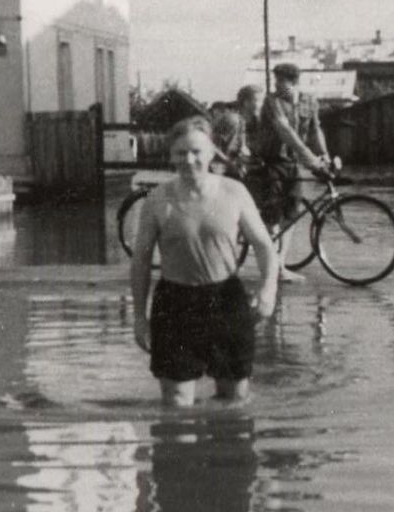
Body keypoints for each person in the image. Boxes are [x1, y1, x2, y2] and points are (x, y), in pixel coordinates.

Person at [131, 115, 279, 407]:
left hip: (225, 301)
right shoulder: (158, 200)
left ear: (211, 152)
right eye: (180, 152)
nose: (189, 160)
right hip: (175, 305)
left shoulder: (234, 192)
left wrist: (268, 291)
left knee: (234, 400)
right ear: (171, 156)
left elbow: (264, 247)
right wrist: (139, 316)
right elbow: (141, 261)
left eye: (196, 151)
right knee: (176, 404)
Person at [256, 62, 331, 281]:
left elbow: (316, 130)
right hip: (270, 162)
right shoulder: (272, 102)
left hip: (293, 164)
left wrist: (324, 154)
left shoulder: (309, 101)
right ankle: (272, 270)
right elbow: (284, 130)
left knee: (291, 214)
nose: (278, 85)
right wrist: (310, 159)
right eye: (276, 80)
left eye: (282, 81)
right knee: (272, 217)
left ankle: (279, 265)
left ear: (294, 82)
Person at [210, 83, 262, 179]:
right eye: (258, 101)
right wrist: (229, 163)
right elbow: (211, 146)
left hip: (227, 169)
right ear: (246, 103)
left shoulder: (242, 120)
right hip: (219, 171)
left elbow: (240, 148)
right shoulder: (233, 120)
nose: (261, 105)